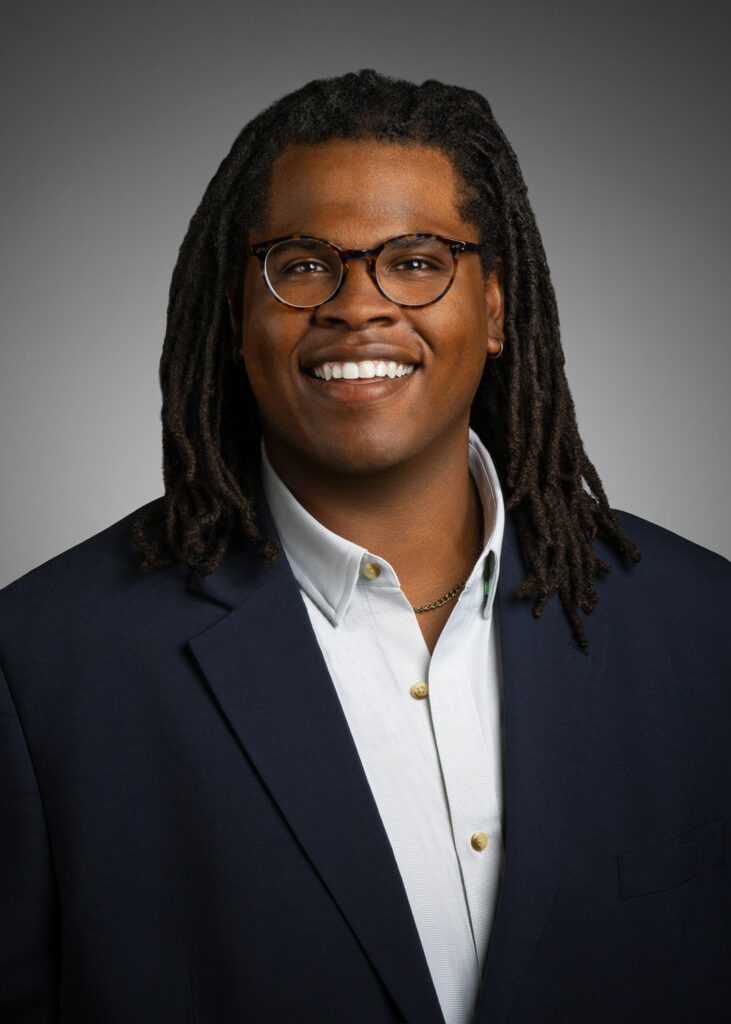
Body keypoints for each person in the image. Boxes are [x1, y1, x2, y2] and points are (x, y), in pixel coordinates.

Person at [0, 69, 728, 1024]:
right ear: (234, 312)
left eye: (417, 261)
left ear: (498, 307)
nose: (358, 305)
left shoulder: (703, 626)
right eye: (303, 264)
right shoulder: (42, 661)